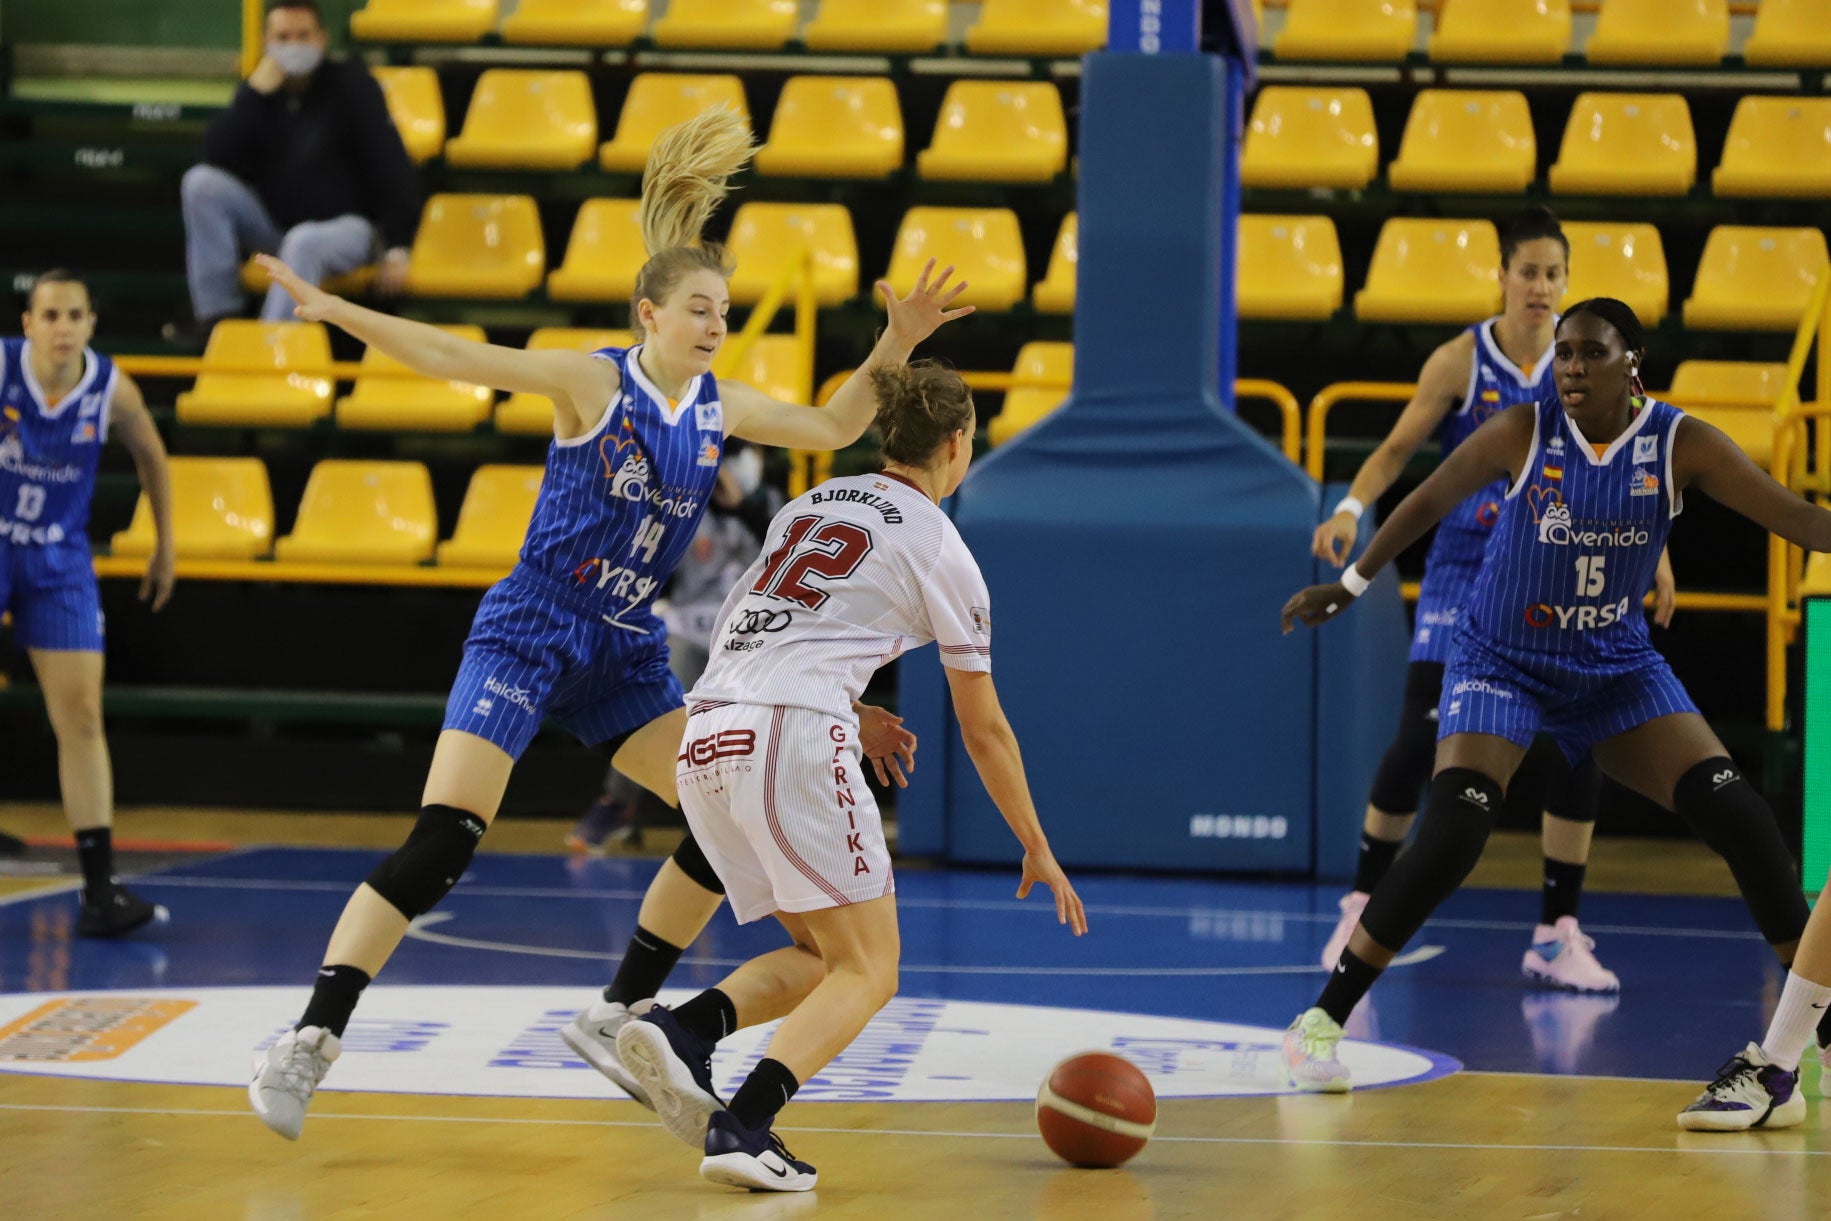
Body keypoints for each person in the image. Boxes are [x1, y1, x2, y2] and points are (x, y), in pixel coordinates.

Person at [245, 108, 970, 1140]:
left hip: (621, 646)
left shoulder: (717, 407)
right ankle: (309, 1040)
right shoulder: (592, 383)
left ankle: (615, 1011)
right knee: (445, 840)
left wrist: (896, 343)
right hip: (533, 627)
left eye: (724, 308)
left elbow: (831, 426)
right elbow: (456, 357)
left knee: (726, 825)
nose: (716, 323)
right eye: (698, 309)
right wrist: (332, 309)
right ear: (648, 315)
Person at [1277, 297, 1831, 1094]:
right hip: (1502, 658)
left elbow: (1796, 518)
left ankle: (1811, 1032)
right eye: (1564, 353)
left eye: (1589, 354)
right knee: (1455, 830)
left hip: (1613, 665)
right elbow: (1428, 499)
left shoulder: (1681, 443)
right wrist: (1351, 583)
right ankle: (1318, 1024)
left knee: (1738, 813)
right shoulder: (1522, 430)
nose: (1569, 367)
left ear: (1630, 361)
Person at [613, 361, 1087, 1192]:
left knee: (819, 951)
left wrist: (848, 706)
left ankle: (688, 1028)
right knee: (872, 968)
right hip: (787, 736)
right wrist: (1035, 843)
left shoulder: (810, 503)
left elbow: (754, 627)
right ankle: (743, 1121)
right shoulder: (942, 544)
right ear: (956, 442)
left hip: (710, 726)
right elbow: (985, 729)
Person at [1313, 207, 1673, 992]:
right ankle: (1362, 903)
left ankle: (1555, 930)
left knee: (1578, 741)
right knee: (1419, 736)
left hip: (1555, 560)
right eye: (1528, 272)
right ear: (1501, 276)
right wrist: (1348, 508)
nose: (1540, 287)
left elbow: (1629, 466)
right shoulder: (1458, 361)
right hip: (1463, 562)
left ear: (1566, 283)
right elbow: (1399, 448)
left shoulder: (1587, 366)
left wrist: (1658, 555)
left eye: (1553, 274)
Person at [2, 270, 175, 932]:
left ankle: (99, 888)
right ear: (28, 323)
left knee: (80, 714)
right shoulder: (2, 371)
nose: (62, 327)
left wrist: (166, 542)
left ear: (91, 325)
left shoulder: (110, 388)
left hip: (57, 557)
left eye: (74, 314)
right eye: (49, 315)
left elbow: (153, 458)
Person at [164, 0, 418, 345]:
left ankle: (272, 352)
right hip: (277, 226)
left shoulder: (353, 87)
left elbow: (391, 164)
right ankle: (217, 322)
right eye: (283, 37)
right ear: (267, 41)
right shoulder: (260, 92)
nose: (294, 45)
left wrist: (398, 245)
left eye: (303, 35)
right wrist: (252, 95)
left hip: (346, 231)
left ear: (322, 39)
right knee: (201, 184)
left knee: (304, 241)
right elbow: (216, 153)